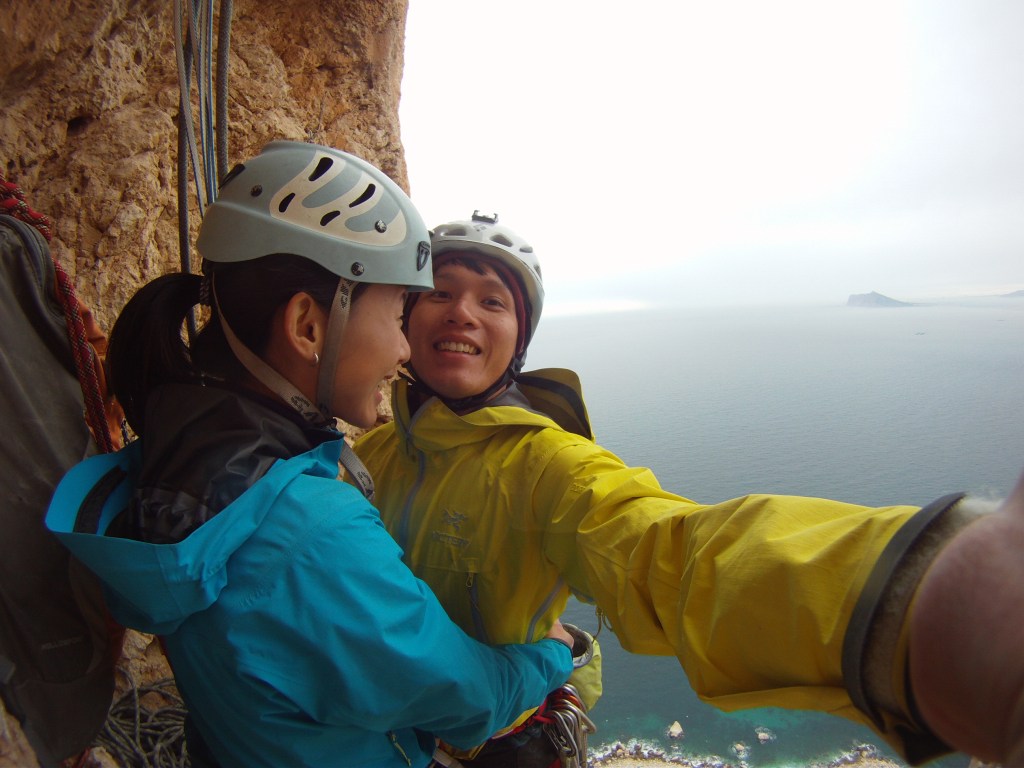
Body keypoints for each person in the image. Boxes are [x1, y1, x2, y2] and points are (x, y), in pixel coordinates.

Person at [354, 210, 1024, 767]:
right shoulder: (375, 451)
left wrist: (913, 601)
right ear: (408, 315)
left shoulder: (550, 465)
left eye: (493, 301)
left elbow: (672, 555)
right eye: (440, 292)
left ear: (519, 337)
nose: (463, 313)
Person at [44, 146, 576, 768]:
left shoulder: (176, 450)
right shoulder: (310, 530)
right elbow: (464, 698)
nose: (404, 347)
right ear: (308, 327)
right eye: (396, 313)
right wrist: (555, 654)